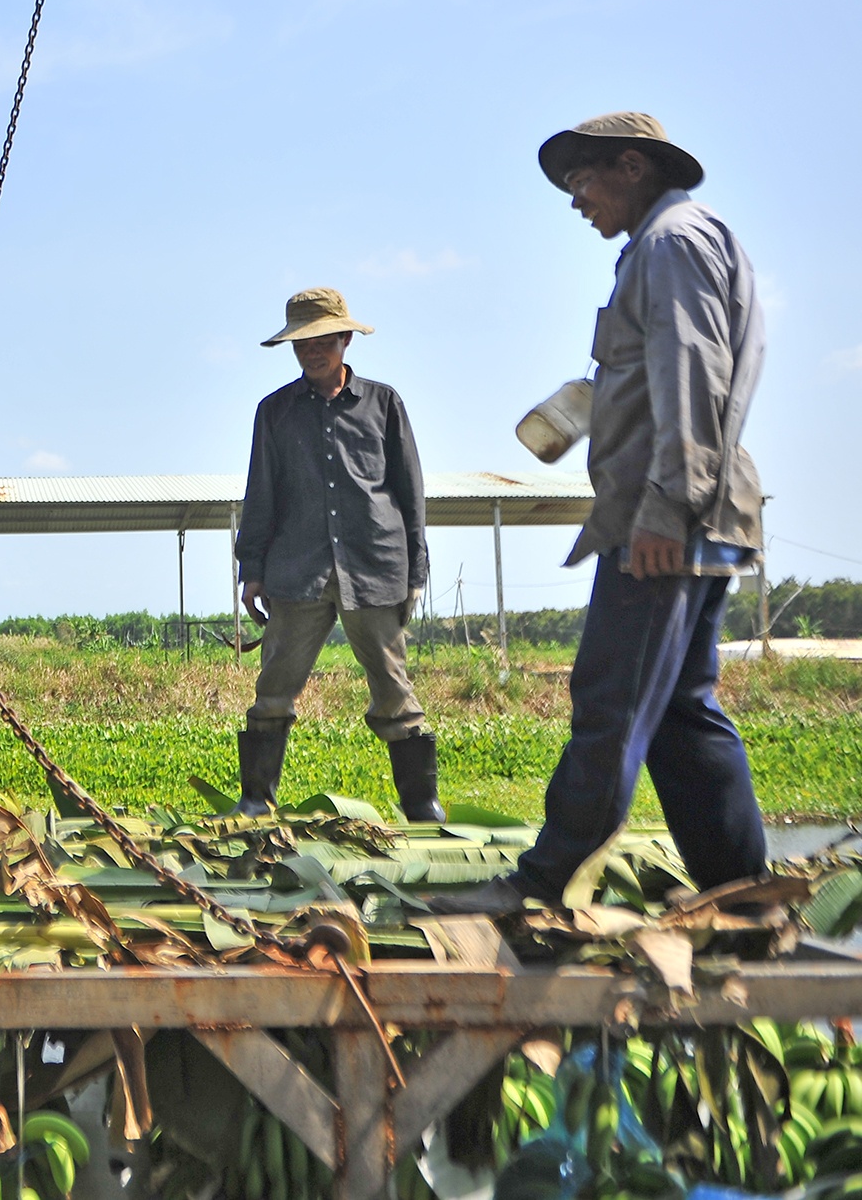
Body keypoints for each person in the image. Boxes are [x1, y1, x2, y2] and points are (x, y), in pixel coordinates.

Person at [433, 113, 766, 915]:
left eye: (581, 180)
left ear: (630, 166)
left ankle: (540, 884)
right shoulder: (682, 240)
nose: (576, 200)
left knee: (610, 702)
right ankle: (747, 895)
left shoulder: (670, 243)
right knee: (685, 711)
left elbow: (694, 378)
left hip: (669, 520)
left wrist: (663, 507)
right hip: (699, 515)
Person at [231, 288, 440, 821]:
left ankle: (422, 804)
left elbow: (409, 491)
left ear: (345, 339)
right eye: (302, 344)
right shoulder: (274, 413)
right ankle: (256, 799)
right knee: (274, 686)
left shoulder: (384, 404)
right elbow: (261, 495)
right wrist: (251, 571)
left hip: (374, 564)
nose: (312, 352)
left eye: (323, 340)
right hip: (297, 570)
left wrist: (416, 569)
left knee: (394, 688)